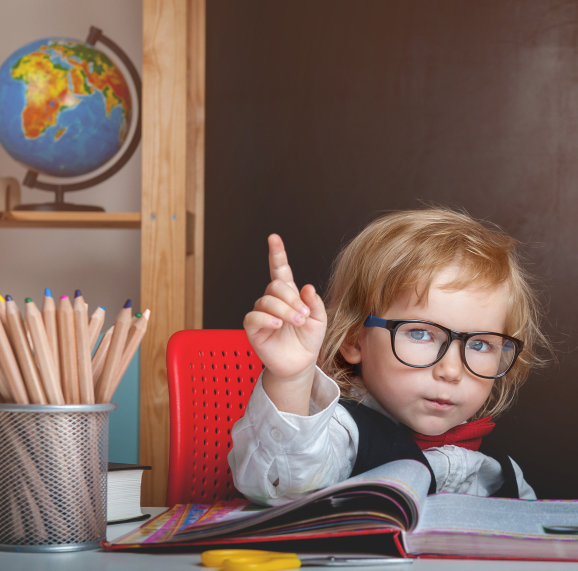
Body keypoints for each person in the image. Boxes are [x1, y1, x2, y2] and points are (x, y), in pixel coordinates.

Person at [228, 207, 551, 506]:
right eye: (421, 333)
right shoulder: (342, 436)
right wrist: (291, 379)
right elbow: (281, 486)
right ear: (355, 338)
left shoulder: (499, 473)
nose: (451, 370)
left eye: (480, 344)